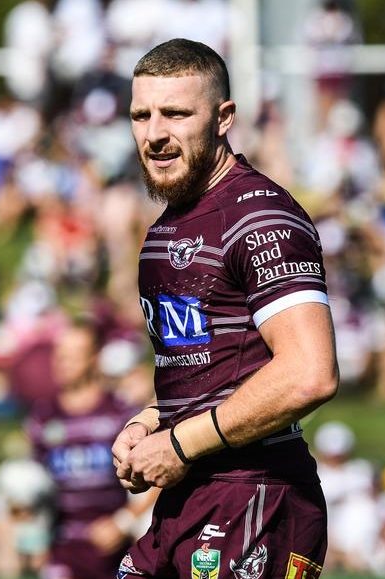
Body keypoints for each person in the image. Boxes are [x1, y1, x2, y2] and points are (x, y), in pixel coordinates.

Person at [112, 38, 339, 579]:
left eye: (175, 114)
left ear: (223, 118)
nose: (154, 134)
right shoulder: (167, 228)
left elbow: (309, 374)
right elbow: (219, 369)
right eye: (141, 115)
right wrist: (151, 421)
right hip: (190, 493)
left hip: (257, 494)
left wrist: (179, 443)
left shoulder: (260, 217)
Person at [26, 320, 148, 579]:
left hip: (115, 545)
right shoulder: (42, 416)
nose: (63, 363)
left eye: (73, 356)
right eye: (59, 355)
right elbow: (34, 486)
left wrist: (123, 521)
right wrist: (35, 537)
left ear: (94, 358)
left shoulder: (121, 412)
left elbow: (155, 472)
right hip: (62, 548)